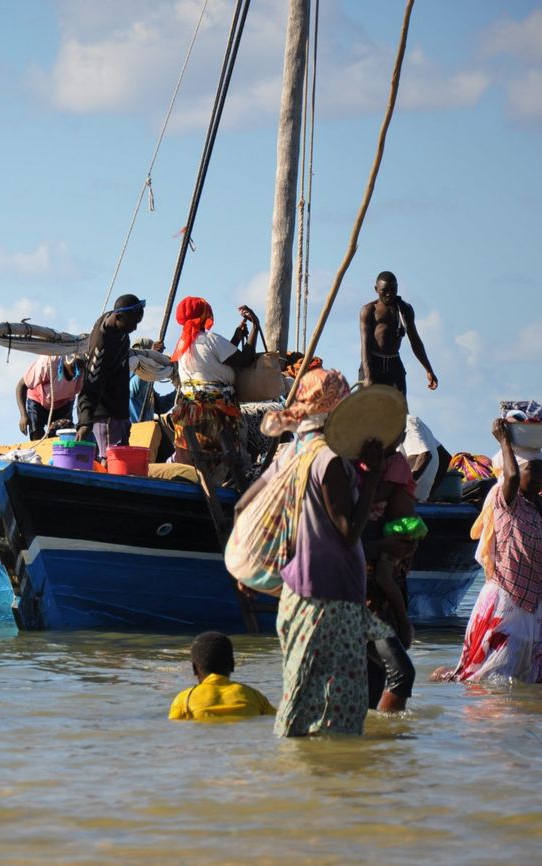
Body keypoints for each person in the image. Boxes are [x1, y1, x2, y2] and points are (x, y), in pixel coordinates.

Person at [238, 368, 383, 737]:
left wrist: (245, 572)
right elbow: (348, 532)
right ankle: (326, 788)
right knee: (338, 713)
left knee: (300, 701)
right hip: (330, 599)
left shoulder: (292, 454)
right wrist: (373, 478)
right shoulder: (329, 459)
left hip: (296, 597)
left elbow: (242, 508)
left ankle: (294, 788)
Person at [434, 420, 542, 684]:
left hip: (537, 608)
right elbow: (509, 477)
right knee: (493, 680)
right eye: (532, 471)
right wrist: (504, 440)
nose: (538, 477)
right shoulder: (506, 504)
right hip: (506, 604)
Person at [354, 445, 419, 712]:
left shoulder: (392, 463)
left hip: (380, 580)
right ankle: (384, 739)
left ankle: (376, 746)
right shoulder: (345, 468)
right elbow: (340, 539)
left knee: (375, 673)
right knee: (401, 673)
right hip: (362, 590)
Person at [170, 297, 259, 487]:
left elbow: (213, 359)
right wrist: (255, 328)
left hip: (189, 411)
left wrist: (236, 338)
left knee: (196, 457)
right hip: (217, 413)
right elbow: (245, 359)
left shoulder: (182, 345)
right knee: (231, 455)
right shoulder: (211, 339)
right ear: (204, 315)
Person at [76, 294, 146, 457]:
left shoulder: (118, 326)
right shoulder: (101, 347)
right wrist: (85, 421)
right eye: (132, 323)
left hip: (120, 412)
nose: (134, 328)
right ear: (119, 316)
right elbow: (89, 384)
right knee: (110, 459)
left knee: (121, 459)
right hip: (106, 415)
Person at [358, 271, 437, 394]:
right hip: (373, 363)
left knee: (400, 408)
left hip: (394, 365)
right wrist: (367, 376)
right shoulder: (368, 310)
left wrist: (429, 369)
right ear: (376, 289)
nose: (389, 294)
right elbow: (365, 345)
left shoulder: (405, 309)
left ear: (397, 288)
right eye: (384, 290)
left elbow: (415, 341)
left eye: (393, 290)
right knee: (368, 409)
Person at [168, 632, 275, 721]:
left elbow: (174, 730)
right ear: (232, 665)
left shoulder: (184, 699)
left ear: (194, 669)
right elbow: (276, 720)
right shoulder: (255, 696)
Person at [16, 354, 81, 440]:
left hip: (64, 403)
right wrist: (23, 415)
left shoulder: (83, 372)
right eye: (74, 365)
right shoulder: (48, 363)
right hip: (38, 400)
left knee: (64, 434)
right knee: (36, 433)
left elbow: (86, 398)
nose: (77, 369)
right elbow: (21, 386)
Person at [399, 414, 452, 501]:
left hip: (406, 499)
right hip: (418, 499)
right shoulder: (415, 424)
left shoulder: (405, 422)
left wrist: (404, 489)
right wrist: (430, 494)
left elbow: (424, 455)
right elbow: (445, 457)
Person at [128, 338, 175, 423]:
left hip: (147, 432)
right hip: (132, 432)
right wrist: (152, 362)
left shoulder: (148, 384)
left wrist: (180, 392)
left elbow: (161, 406)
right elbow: (133, 390)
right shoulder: (128, 379)